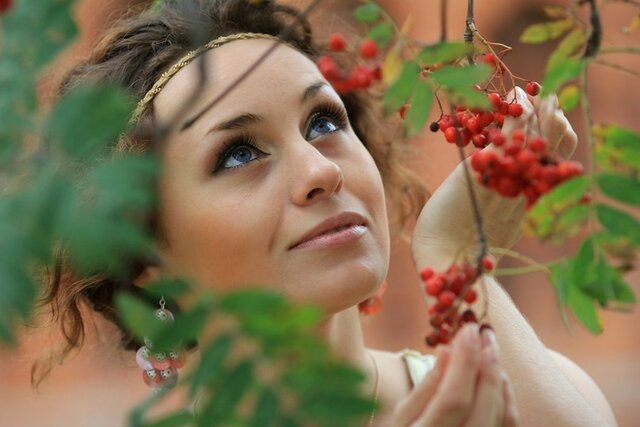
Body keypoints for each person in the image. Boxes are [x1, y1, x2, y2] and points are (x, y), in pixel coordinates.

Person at [31, 0, 618, 425]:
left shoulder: (537, 391)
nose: (321, 171)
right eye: (239, 154)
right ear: (145, 259)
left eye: (324, 123)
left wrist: (460, 259)